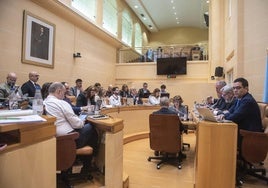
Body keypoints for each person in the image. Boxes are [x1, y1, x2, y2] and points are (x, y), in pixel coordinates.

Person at [43, 82, 98, 172]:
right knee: (91, 127)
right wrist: (81, 121)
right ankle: (89, 164)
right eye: (64, 93)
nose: (65, 96)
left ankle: (81, 163)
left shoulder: (44, 102)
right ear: (59, 91)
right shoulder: (61, 103)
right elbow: (77, 124)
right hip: (69, 139)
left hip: (55, 139)